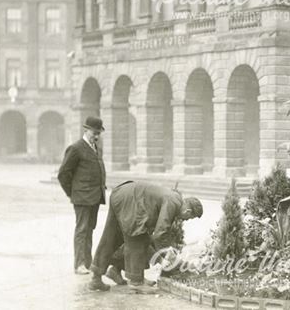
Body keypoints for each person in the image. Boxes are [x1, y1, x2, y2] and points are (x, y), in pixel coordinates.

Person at [88, 180, 203, 293]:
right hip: (130, 199)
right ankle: (136, 282)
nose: (186, 220)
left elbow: (156, 233)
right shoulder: (173, 202)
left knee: (111, 237)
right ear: (188, 211)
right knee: (137, 238)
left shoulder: (174, 199)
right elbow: (160, 233)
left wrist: (162, 256)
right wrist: (164, 256)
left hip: (122, 194)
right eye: (190, 218)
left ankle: (96, 277)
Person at [57, 115, 106, 275]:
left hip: (95, 196)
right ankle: (79, 264)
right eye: (94, 132)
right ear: (86, 130)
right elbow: (63, 173)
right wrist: (73, 193)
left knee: (89, 230)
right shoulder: (76, 148)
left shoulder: (95, 147)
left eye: (99, 133)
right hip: (82, 197)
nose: (97, 136)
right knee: (82, 230)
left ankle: (87, 262)